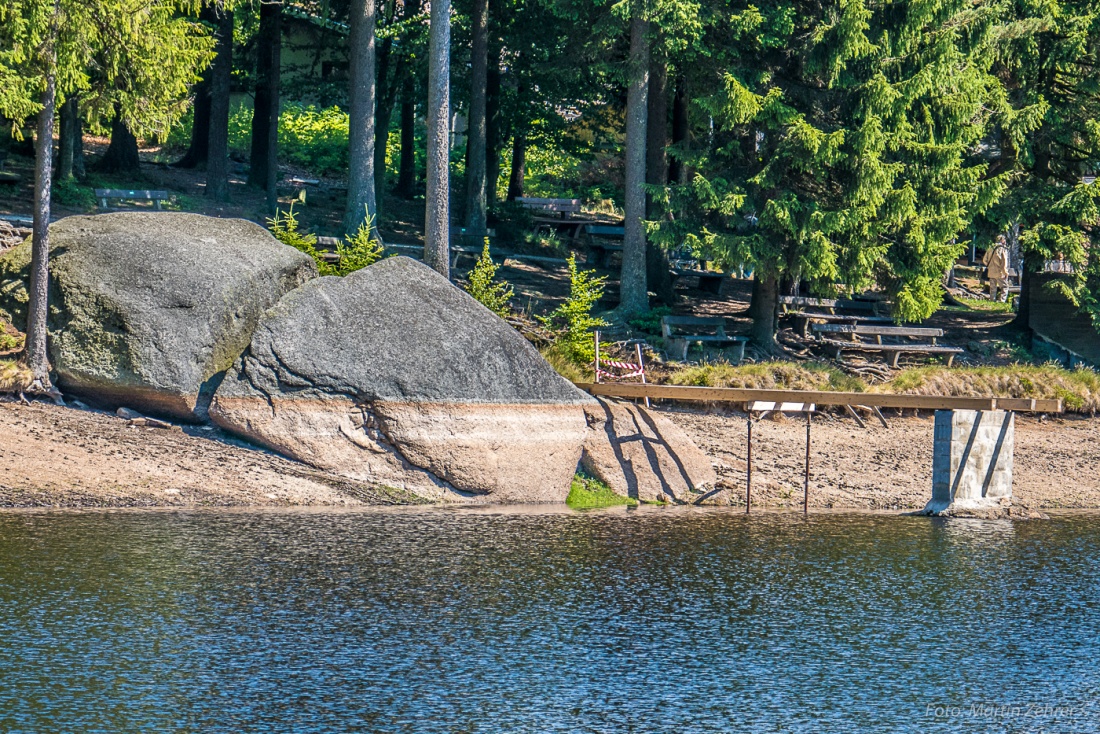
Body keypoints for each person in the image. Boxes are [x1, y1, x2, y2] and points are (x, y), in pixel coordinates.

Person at [983, 235, 1010, 302]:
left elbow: (984, 260)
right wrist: (1005, 272)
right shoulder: (1002, 249)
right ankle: (1002, 300)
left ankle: (992, 300)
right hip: (999, 272)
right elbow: (1004, 262)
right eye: (1004, 239)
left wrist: (989, 266)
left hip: (991, 271)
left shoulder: (990, 248)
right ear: (1002, 240)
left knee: (992, 287)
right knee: (1005, 287)